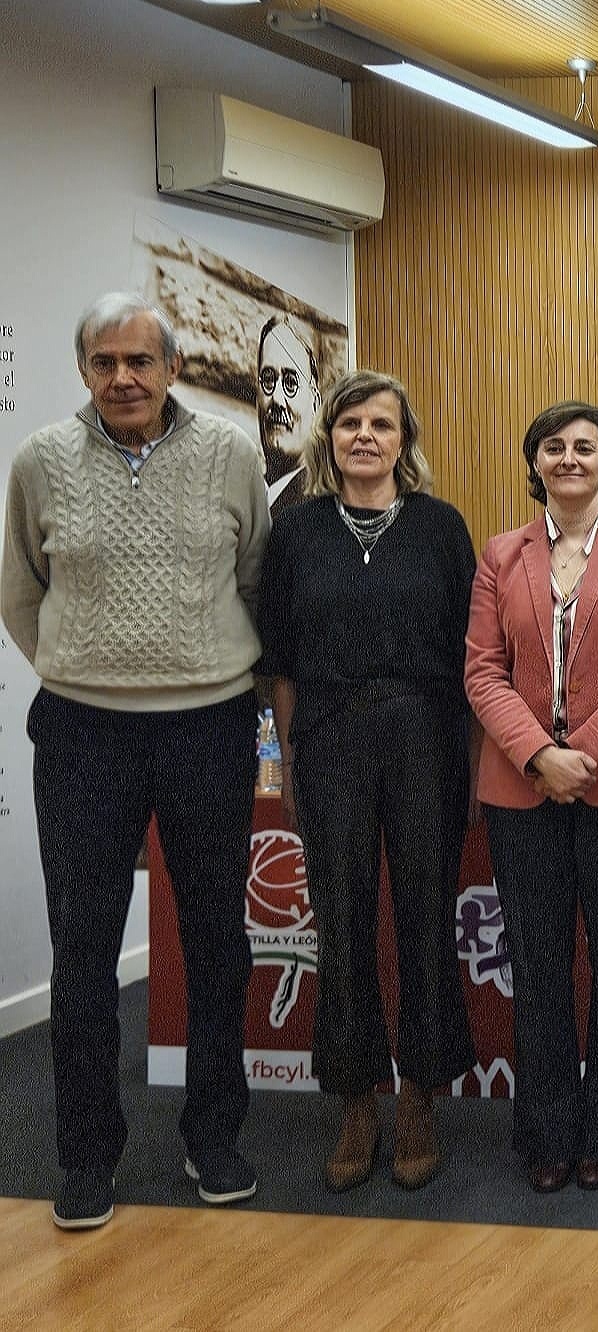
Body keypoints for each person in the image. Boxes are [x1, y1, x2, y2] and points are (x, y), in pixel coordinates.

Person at [2, 292, 269, 1229]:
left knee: (217, 944)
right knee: (81, 952)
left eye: (140, 362)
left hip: (209, 727)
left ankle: (215, 1137)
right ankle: (85, 1158)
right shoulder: (39, 460)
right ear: (83, 370)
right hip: (82, 733)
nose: (123, 378)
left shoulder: (233, 453)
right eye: (105, 362)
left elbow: (254, 580)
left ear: (172, 369)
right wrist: (84, 673)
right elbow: (22, 592)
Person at [256, 370, 477, 1193]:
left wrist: (479, 767)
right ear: (330, 435)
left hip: (427, 735)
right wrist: (286, 760)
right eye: (350, 422)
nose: (364, 437)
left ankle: (419, 1094)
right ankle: (357, 1102)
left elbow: (475, 661)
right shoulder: (297, 533)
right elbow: (278, 659)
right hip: (329, 737)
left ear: (403, 439)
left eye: (381, 424)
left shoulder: (441, 529)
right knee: (341, 921)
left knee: (425, 913)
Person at [464, 400, 598, 1195]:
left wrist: (579, 755)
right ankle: (547, 1132)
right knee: (540, 964)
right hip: (521, 793)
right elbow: (481, 671)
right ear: (536, 464)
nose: (567, 459)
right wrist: (537, 756)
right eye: (552, 447)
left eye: (583, 447)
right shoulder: (500, 555)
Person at [257, 313, 321, 514]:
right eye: (268, 379)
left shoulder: (316, 511)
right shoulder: (250, 498)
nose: (276, 398)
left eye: (291, 383)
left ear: (315, 405)